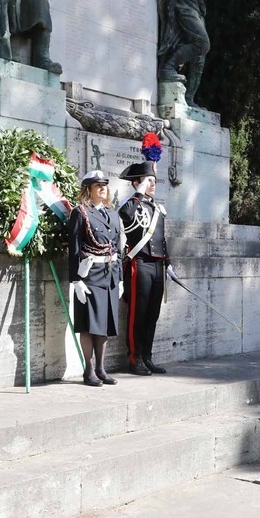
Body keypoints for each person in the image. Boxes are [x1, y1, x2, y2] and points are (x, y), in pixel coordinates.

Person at [68, 170, 123, 386]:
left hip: (109, 276)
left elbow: (118, 249)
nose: (102, 188)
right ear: (88, 189)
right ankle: (88, 369)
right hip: (89, 277)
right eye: (97, 185)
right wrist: (75, 281)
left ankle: (101, 368)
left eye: (104, 185)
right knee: (89, 326)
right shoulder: (80, 213)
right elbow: (73, 249)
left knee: (104, 326)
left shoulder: (113, 214)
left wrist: (120, 280)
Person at [118, 161, 172, 376]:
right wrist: (138, 192)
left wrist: (169, 263)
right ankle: (134, 358)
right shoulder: (131, 204)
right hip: (139, 263)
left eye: (154, 180)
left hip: (158, 265)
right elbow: (126, 214)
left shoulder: (157, 208)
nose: (153, 184)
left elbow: (162, 240)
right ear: (136, 183)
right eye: (149, 180)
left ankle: (147, 357)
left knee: (152, 314)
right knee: (137, 315)